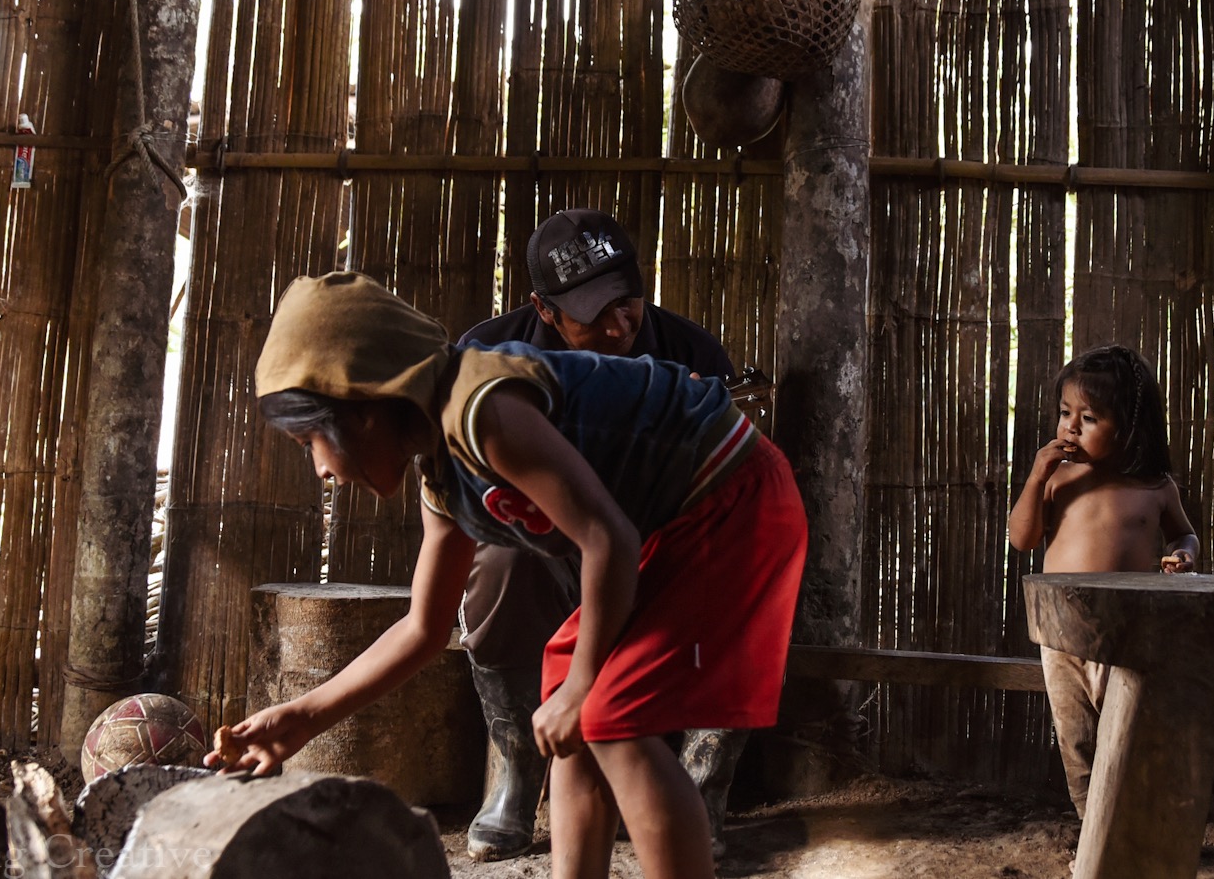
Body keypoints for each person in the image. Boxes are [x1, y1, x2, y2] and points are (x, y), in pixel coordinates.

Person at [209, 271, 806, 879]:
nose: (319, 469)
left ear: (362, 407)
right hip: (675, 525)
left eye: (311, 439)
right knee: (567, 708)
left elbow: (607, 539)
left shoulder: (483, 408)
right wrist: (303, 717)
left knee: (606, 714)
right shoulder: (443, 477)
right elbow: (423, 628)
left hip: (732, 501)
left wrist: (583, 690)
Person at [457, 209, 747, 862]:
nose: (619, 325)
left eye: (627, 300)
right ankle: (517, 771)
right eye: (594, 311)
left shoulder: (692, 354)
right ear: (545, 309)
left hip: (656, 551)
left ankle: (703, 790)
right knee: (501, 564)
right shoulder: (490, 359)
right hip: (549, 549)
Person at [1007, 345, 1199, 819]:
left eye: (1088, 417)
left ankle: (1133, 832)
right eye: (1065, 413)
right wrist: (1036, 477)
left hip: (1126, 635)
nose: (1069, 427)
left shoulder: (1155, 488)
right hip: (1061, 636)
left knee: (1129, 737)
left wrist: (1183, 555)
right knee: (1078, 745)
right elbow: (1022, 539)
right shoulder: (1059, 481)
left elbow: (1185, 533)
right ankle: (1095, 842)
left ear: (1129, 427)